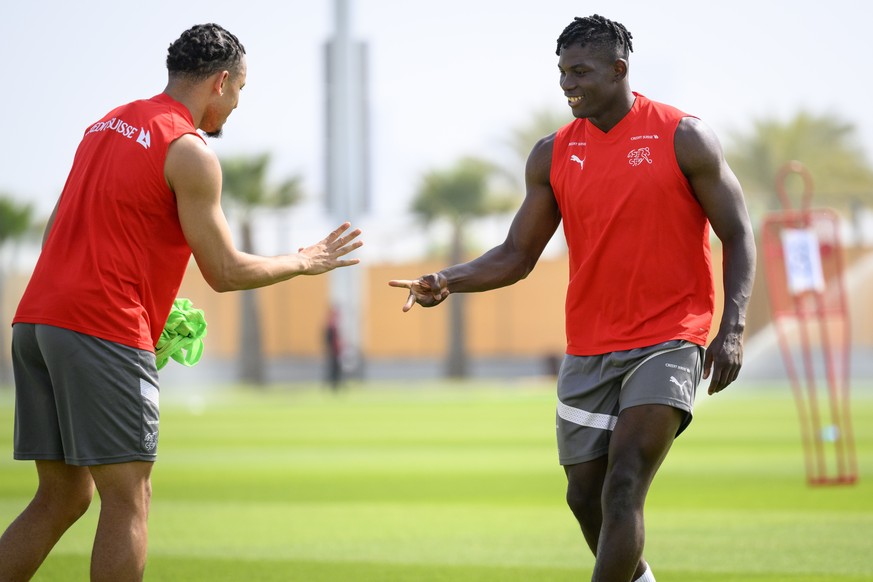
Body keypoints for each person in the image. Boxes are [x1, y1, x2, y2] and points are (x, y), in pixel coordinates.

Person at [389, 14, 755, 582]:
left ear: (619, 69)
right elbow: (516, 255)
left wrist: (730, 328)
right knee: (583, 496)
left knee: (625, 480)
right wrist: (448, 280)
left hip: (670, 337)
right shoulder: (552, 154)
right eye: (561, 72)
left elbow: (737, 232)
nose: (566, 84)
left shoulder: (684, 136)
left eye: (579, 71)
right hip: (589, 347)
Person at [0, 23, 362, 581]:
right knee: (129, 500)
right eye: (240, 90)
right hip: (103, 327)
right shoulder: (188, 150)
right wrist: (305, 260)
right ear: (221, 82)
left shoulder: (104, 125)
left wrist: (145, 302)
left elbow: (64, 232)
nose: (237, 104)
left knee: (62, 497)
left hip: (36, 323)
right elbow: (224, 271)